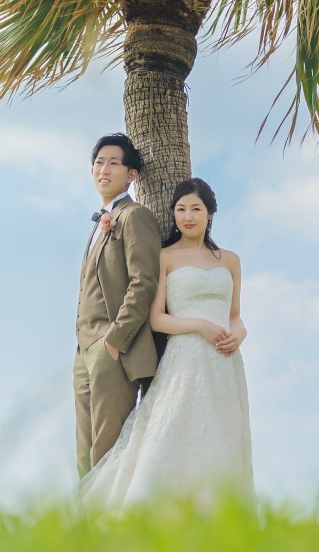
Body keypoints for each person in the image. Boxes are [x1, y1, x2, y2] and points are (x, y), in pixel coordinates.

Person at [80, 176, 254, 508]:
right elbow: (158, 318)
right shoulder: (166, 257)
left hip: (225, 362)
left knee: (223, 436)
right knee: (174, 432)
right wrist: (200, 325)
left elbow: (234, 315)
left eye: (195, 209)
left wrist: (240, 333)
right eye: (180, 209)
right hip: (185, 358)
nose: (187, 216)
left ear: (210, 214)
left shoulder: (230, 260)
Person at [74, 133, 161, 478]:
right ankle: (83, 527)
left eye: (113, 162)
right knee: (84, 452)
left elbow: (144, 282)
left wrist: (113, 342)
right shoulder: (100, 221)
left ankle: (108, 525)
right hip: (83, 350)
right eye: (98, 162)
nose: (103, 169)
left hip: (113, 350)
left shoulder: (134, 215)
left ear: (132, 174)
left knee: (106, 451)